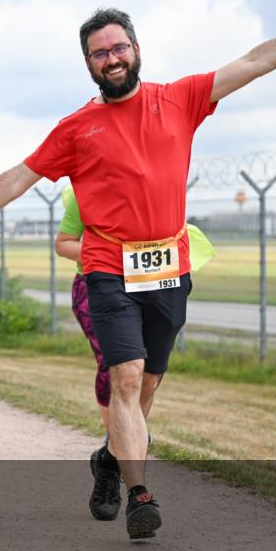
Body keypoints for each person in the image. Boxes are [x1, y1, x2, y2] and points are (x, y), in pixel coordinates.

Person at [0, 2, 276, 540]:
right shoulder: (75, 129)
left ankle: (108, 461)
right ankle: (141, 494)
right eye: (99, 54)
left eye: (119, 48)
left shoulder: (181, 98)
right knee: (126, 376)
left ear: (136, 50)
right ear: (88, 64)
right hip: (107, 268)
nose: (111, 59)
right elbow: (18, 177)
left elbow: (255, 62)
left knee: (146, 388)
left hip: (168, 267)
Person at [56, 184, 216, 521]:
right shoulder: (85, 192)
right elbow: (65, 244)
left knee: (147, 379)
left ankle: (111, 459)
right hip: (97, 286)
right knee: (119, 372)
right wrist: (109, 253)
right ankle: (133, 484)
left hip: (155, 285)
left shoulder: (158, 183)